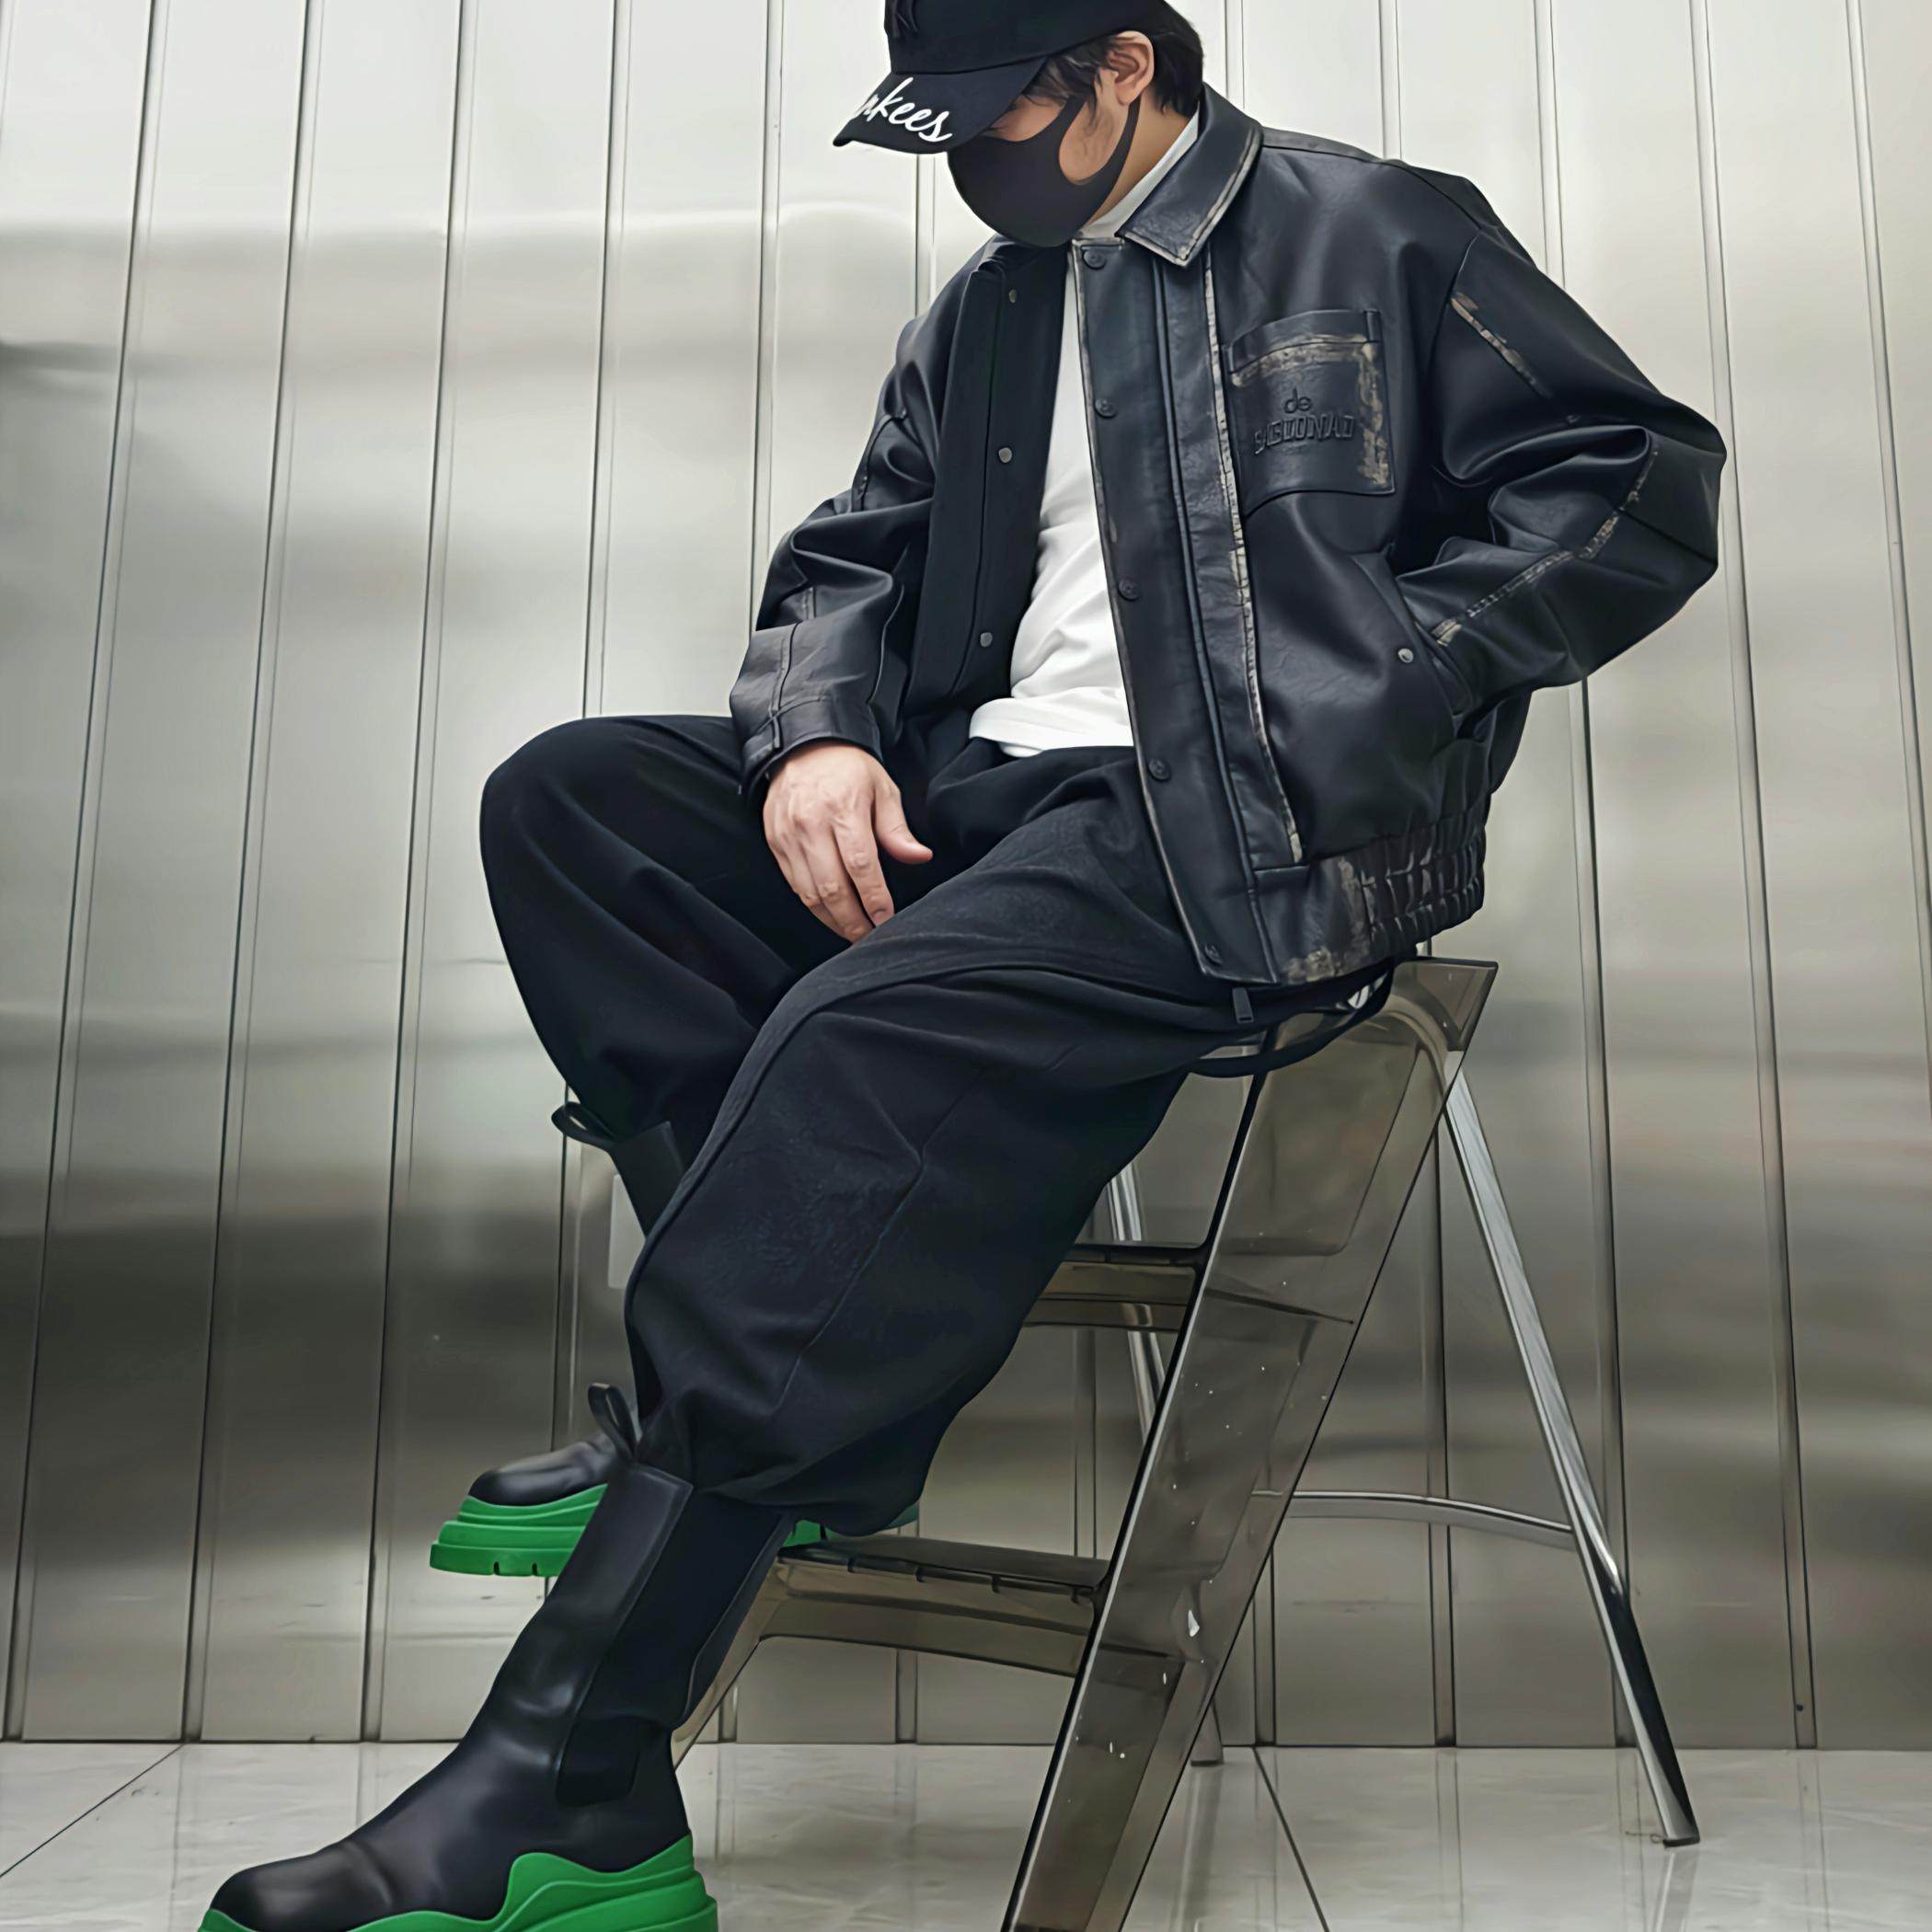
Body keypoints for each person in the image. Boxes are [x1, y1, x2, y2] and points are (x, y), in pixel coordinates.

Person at [201, 2, 1727, 1926]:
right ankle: (788, 1398)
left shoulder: (1373, 229)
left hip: (1233, 828)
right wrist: (818, 737)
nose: (970, 160)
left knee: (864, 1034)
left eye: (1000, 112)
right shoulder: (993, 312)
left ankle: (577, 1781)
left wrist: (1369, 690)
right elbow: (853, 557)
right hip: (988, 800)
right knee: (573, 810)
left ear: (1123, 66)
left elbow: (1636, 481)